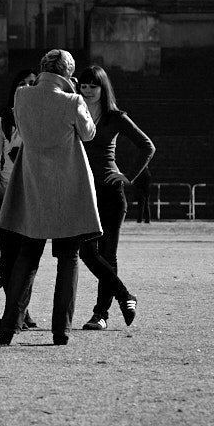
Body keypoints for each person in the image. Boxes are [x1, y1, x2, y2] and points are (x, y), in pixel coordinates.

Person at [0, 49, 119, 347]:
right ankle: (60, 330)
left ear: (42, 69)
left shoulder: (22, 96)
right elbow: (88, 134)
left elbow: (23, 129)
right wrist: (73, 94)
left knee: (28, 255)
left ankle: (9, 327)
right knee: (68, 258)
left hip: (33, 184)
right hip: (67, 186)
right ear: (67, 73)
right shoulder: (73, 100)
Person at [75, 64, 154, 329]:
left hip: (110, 191)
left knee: (108, 254)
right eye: (83, 86)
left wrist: (128, 176)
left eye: (92, 86)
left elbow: (147, 146)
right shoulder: (74, 112)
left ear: (103, 87)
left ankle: (101, 315)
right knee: (86, 251)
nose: (87, 91)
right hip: (84, 192)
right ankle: (125, 295)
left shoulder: (115, 117)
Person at [0, 68, 39, 329]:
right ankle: (17, 309)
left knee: (27, 256)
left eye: (33, 83)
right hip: (7, 195)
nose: (28, 88)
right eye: (23, 83)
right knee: (9, 256)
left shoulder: (41, 117)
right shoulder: (2, 122)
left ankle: (21, 308)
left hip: (32, 196)